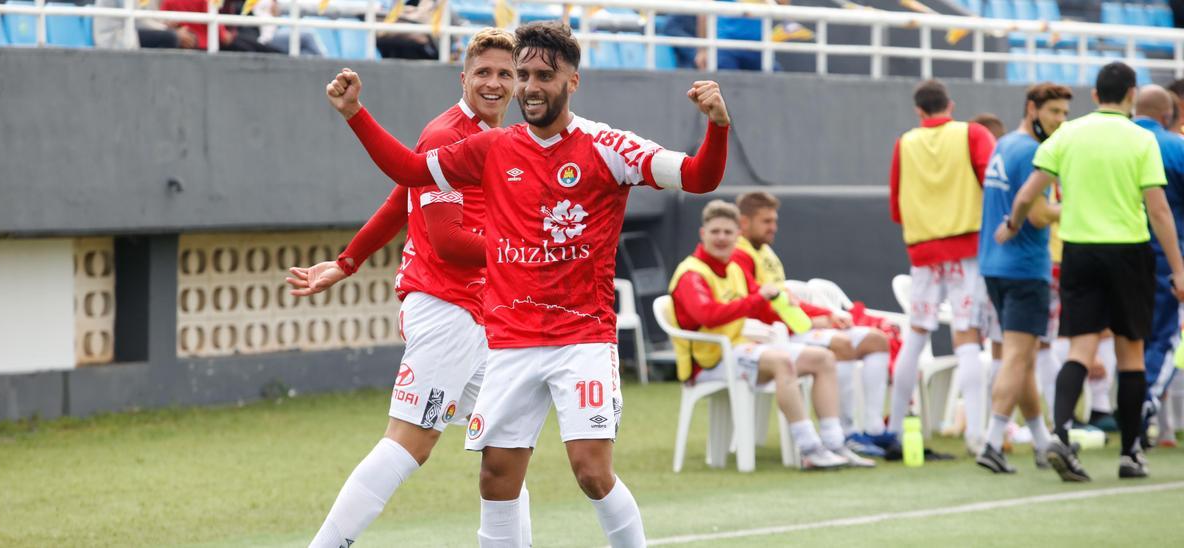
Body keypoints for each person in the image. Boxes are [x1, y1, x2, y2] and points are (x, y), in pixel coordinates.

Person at [324, 21, 730, 547]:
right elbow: (407, 171)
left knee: (590, 470)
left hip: (582, 336)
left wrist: (717, 126)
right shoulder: (493, 146)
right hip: (510, 340)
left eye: (543, 75)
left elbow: (700, 176)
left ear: (573, 81)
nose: (529, 87)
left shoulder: (608, 146)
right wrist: (356, 114)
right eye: (524, 75)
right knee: (497, 476)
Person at [289, 30, 530, 548]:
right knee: (409, 443)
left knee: (507, 448)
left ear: (517, 82)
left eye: (504, 74)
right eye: (483, 72)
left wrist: (347, 261)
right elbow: (446, 243)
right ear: (461, 77)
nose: (494, 83)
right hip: (449, 309)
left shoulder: (484, 136)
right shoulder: (448, 135)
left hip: (477, 313)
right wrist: (527, 248)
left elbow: (402, 196)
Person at [996, 62, 1184, 481]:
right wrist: (1179, 269)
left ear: (1095, 96)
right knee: (1130, 354)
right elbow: (1158, 209)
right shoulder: (1141, 139)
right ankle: (1130, 452)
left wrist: (1010, 225)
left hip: (1079, 252)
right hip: (1129, 253)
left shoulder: (1068, 134)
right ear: (1132, 95)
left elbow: (1029, 193)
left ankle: (1061, 434)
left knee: (1080, 350)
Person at [669, 200, 874, 469]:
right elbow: (708, 315)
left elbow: (768, 307)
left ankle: (835, 443)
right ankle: (810, 449)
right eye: (715, 231)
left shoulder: (733, 269)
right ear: (702, 234)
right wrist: (758, 300)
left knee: (823, 359)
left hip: (739, 349)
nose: (721, 238)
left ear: (736, 235)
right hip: (709, 362)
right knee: (782, 361)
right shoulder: (691, 274)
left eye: (728, 232)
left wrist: (817, 318)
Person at [732, 191, 893, 457]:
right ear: (745, 222)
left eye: (774, 221)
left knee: (877, 340)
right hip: (774, 336)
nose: (773, 228)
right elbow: (761, 306)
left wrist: (827, 314)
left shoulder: (765, 252)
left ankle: (874, 428)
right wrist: (814, 320)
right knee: (841, 346)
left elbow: (787, 300)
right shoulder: (738, 256)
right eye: (766, 221)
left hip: (795, 328)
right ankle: (846, 432)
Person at [888, 79, 996, 455]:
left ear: (919, 110)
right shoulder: (973, 133)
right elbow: (993, 183)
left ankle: (897, 432)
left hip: (923, 251)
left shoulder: (905, 142)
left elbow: (896, 205)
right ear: (950, 104)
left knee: (915, 336)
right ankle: (977, 437)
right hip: (968, 247)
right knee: (967, 337)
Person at [974, 82, 1071, 474]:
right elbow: (1036, 215)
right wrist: (1075, 207)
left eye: (1065, 114)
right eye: (1054, 113)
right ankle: (993, 441)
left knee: (1026, 359)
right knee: (1017, 356)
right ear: (1033, 109)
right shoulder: (1035, 152)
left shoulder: (1006, 144)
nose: (1061, 121)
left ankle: (1041, 440)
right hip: (1025, 268)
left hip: (994, 265)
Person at [1133, 85, 1184, 442]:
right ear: (1168, 115)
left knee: (1129, 337)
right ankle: (1145, 401)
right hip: (1169, 254)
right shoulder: (1175, 147)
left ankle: (1133, 407)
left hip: (1118, 251)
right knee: (1165, 337)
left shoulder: (1116, 143)